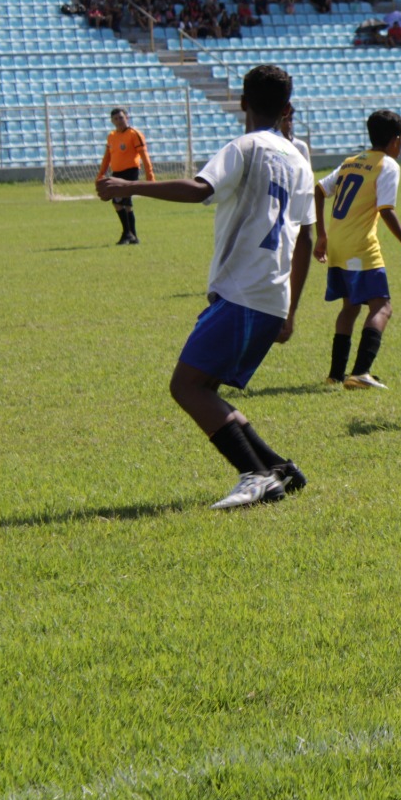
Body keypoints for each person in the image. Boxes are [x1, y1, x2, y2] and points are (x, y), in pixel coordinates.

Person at [94, 65, 315, 510]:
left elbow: (200, 190)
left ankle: (254, 475)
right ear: (289, 108)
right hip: (271, 294)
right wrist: (291, 310)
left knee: (188, 386)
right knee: (204, 384)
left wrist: (128, 187)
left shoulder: (244, 146)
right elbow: (306, 237)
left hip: (243, 289)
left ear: (242, 102)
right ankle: (278, 468)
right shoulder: (298, 159)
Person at [314, 110, 401, 390]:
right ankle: (361, 372)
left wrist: (321, 235)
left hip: (337, 244)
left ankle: (335, 374)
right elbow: (386, 211)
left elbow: (319, 189)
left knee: (349, 306)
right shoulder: (387, 165)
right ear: (395, 140)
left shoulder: (352, 162)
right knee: (382, 306)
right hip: (360, 247)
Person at [96, 107, 155, 245]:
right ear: (112, 121)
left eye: (121, 118)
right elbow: (107, 157)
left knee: (118, 201)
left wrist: (150, 176)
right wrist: (101, 174)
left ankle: (127, 234)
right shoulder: (111, 136)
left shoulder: (134, 134)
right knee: (124, 204)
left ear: (126, 117)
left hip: (130, 171)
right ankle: (132, 236)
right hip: (117, 173)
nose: (119, 121)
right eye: (115, 119)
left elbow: (144, 156)